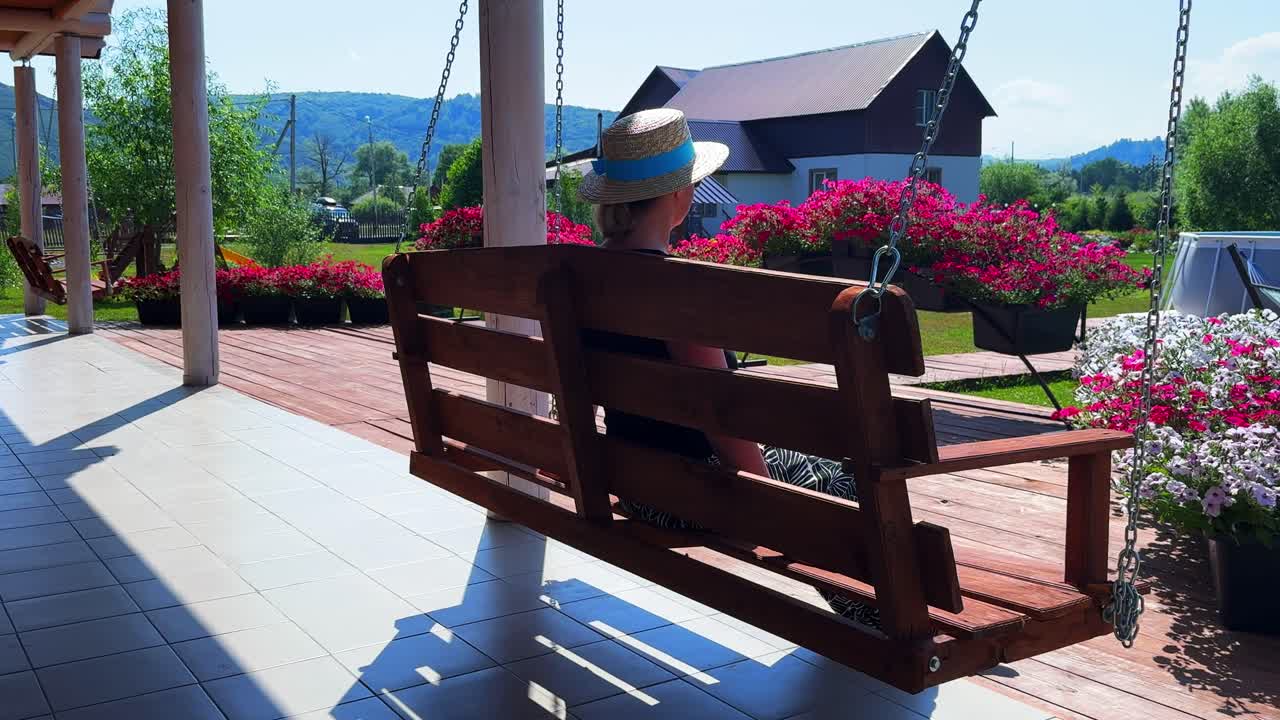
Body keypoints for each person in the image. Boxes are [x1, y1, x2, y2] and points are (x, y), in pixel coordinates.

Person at [576, 108, 879, 630]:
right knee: (842, 479)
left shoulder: (579, 278)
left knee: (820, 468)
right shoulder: (678, 291)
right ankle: (882, 622)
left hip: (634, 482)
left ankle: (873, 614)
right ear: (679, 195)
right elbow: (720, 415)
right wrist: (760, 506)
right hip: (693, 493)